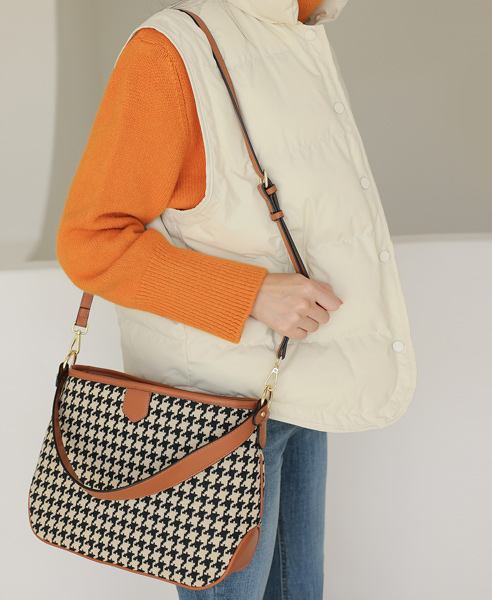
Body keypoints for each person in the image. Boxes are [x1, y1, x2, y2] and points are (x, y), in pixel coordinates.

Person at [56, 0, 418, 598]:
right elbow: (90, 241)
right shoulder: (171, 50)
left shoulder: (296, 38)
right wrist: (249, 293)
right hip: (213, 410)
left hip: (300, 386)